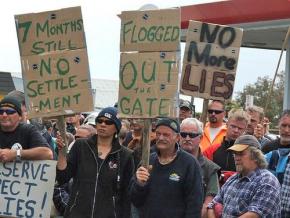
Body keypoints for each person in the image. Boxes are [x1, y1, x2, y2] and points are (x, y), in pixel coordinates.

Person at [56, 107, 134, 218]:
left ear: (116, 127)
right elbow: (62, 177)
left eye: (108, 122)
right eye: (99, 121)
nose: (103, 124)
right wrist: (61, 153)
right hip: (77, 213)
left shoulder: (125, 155)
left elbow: (126, 195)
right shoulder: (81, 146)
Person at [130, 118, 203, 218]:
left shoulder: (189, 163)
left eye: (166, 135)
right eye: (158, 133)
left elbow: (194, 205)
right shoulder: (147, 160)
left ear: (177, 137)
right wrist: (139, 184)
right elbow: (135, 200)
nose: (161, 138)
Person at [207, 135, 281, 218]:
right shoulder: (232, 179)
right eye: (235, 154)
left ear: (256, 156)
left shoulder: (267, 181)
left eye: (241, 154)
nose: (236, 158)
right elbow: (211, 206)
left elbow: (254, 214)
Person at [180, 118, 220, 218]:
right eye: (184, 134)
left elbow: (209, 203)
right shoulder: (168, 160)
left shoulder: (210, 168)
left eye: (192, 135)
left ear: (201, 138)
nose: (187, 138)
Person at [53, 124, 96, 216]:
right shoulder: (70, 156)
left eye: (82, 138)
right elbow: (59, 185)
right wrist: (71, 208)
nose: (78, 141)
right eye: (76, 137)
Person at [0, 96, 53, 162]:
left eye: (10, 112)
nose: (4, 115)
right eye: (1, 111)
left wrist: (15, 153)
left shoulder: (28, 130)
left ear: (20, 116)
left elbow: (48, 154)